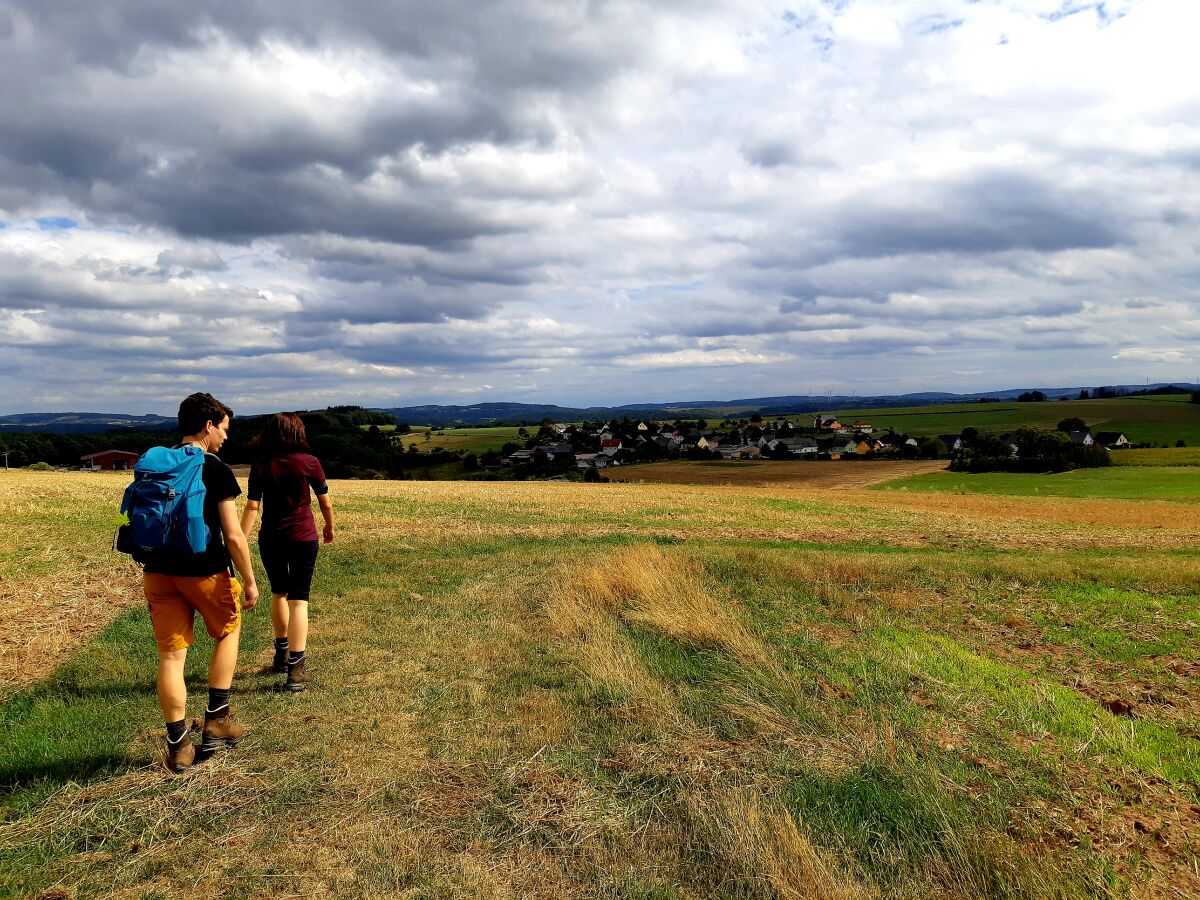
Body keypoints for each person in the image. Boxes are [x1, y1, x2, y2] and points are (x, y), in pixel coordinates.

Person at [143, 392, 260, 773]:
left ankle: (179, 746)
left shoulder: (158, 463)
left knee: (171, 657)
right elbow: (234, 535)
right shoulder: (215, 469)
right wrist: (250, 579)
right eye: (224, 429)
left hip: (158, 571)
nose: (226, 437)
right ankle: (217, 719)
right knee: (228, 631)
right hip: (205, 571)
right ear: (208, 426)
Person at [239, 413, 334, 693]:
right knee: (299, 600)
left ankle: (280, 653)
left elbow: (252, 507)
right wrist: (329, 527)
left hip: (271, 538)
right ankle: (296, 670)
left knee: (279, 593)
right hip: (304, 537)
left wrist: (239, 540)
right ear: (298, 433)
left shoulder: (261, 465)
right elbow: (325, 502)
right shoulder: (309, 462)